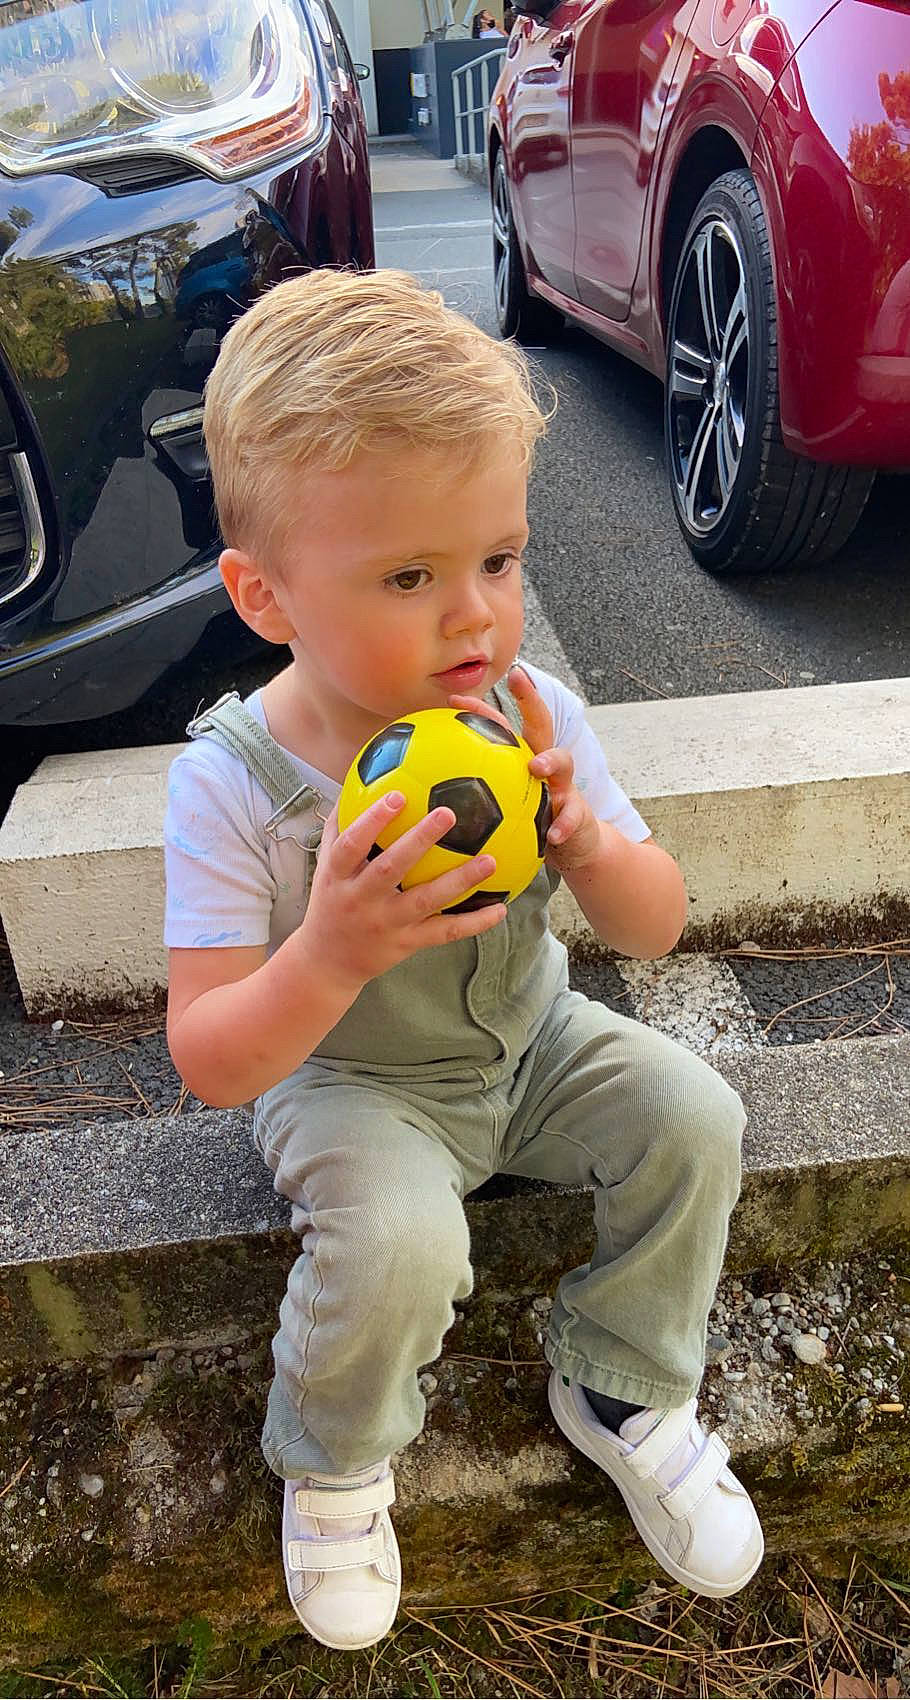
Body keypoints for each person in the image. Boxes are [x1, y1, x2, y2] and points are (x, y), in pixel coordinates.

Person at [163, 268, 764, 1652]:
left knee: (695, 1117)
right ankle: (331, 1458)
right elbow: (211, 1057)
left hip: (531, 1042)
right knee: (400, 1238)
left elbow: (653, 927)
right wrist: (327, 947)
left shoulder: (521, 709)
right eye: (409, 575)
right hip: (350, 1083)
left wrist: (588, 847)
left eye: (498, 558)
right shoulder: (235, 786)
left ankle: (621, 1383)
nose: (474, 617)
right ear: (266, 597)